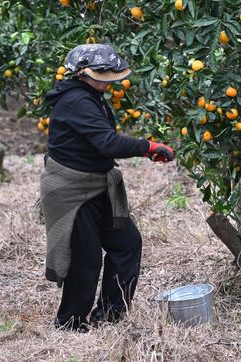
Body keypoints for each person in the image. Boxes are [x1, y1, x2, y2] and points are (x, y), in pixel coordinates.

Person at [40, 44, 174, 332]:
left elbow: (102, 143)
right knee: (85, 259)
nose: (109, 77)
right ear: (83, 73)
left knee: (127, 244)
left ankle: (110, 316)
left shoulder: (92, 96)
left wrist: (145, 149)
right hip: (71, 189)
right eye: (102, 72)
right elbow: (107, 143)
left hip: (97, 184)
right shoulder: (77, 100)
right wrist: (147, 146)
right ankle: (70, 323)